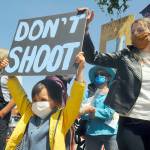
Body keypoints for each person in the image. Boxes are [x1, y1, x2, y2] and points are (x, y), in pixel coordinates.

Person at [79, 8, 150, 150]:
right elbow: (93, 57)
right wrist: (85, 28)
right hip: (131, 123)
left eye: (139, 29)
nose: (135, 33)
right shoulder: (125, 56)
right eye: (132, 31)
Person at [0, 52, 86, 150]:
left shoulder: (62, 119)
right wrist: (10, 73)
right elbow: (18, 93)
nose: (38, 103)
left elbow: (76, 99)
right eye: (35, 100)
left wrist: (81, 69)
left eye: (43, 100)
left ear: (57, 102)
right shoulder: (28, 113)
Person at [80, 66, 118, 150]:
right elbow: (81, 113)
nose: (99, 76)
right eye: (97, 74)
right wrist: (89, 113)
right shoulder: (87, 94)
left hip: (110, 133)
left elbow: (109, 113)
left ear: (108, 78)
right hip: (92, 133)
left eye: (102, 74)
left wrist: (92, 111)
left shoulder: (113, 93)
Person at [0, 48, 15, 150]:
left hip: (3, 110)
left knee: (1, 140)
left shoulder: (12, 73)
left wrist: (3, 112)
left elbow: (16, 97)